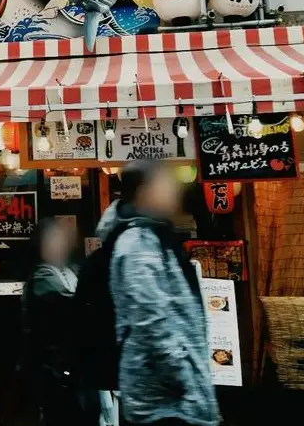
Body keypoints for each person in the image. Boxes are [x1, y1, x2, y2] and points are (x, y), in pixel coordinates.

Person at [97, 161, 219, 426]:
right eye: (165, 184)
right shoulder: (137, 242)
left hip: (170, 395)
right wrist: (187, 377)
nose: (173, 191)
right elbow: (150, 321)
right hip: (163, 399)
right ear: (144, 191)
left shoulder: (153, 235)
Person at [21, 217, 83, 426]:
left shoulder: (69, 270)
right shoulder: (42, 276)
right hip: (51, 366)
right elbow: (73, 306)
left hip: (68, 364)